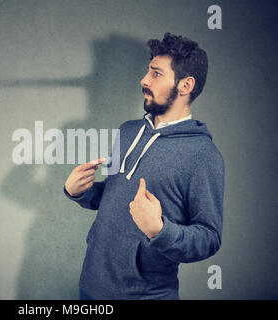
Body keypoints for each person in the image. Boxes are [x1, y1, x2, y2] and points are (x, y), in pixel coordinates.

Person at [63, 32, 225, 300]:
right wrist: (81, 192)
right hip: (91, 286)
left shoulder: (203, 155)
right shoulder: (128, 131)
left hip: (145, 295)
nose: (144, 80)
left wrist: (160, 230)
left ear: (185, 85)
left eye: (156, 74)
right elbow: (114, 196)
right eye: (147, 72)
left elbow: (209, 237)